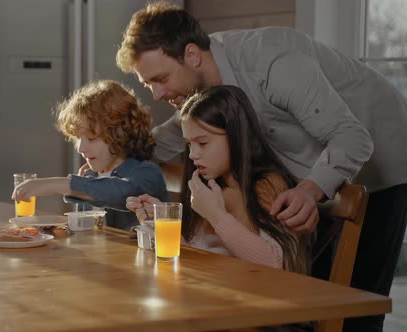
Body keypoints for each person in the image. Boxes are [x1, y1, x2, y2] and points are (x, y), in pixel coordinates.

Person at [116, 2, 407, 331]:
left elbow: (353, 138)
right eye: (147, 84)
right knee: (303, 300)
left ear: (192, 55)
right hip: (309, 175)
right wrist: (113, 161)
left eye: (161, 78)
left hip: (380, 155)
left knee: (353, 309)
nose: (156, 94)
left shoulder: (273, 61)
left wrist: (312, 189)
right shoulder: (206, 95)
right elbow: (166, 140)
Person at [128, 85, 312, 275]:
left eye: (203, 143)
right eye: (189, 144)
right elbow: (199, 254)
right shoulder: (210, 184)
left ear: (235, 136)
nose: (193, 155)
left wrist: (216, 215)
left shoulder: (268, 186)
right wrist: (161, 222)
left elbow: (276, 265)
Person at [12, 80, 168, 231]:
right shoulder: (90, 175)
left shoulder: (148, 173)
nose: (80, 148)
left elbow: (122, 191)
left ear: (120, 134)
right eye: (78, 138)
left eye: (92, 138)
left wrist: (58, 184)